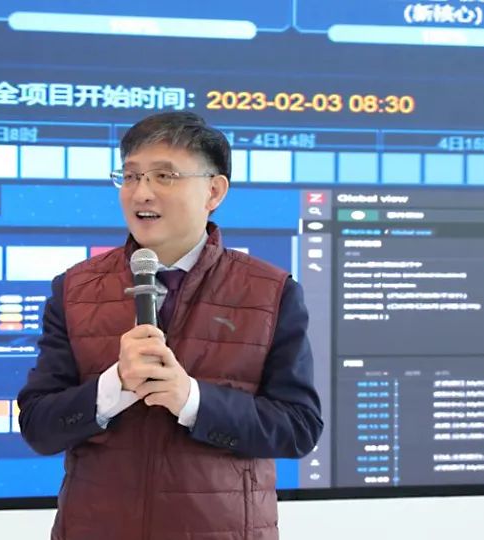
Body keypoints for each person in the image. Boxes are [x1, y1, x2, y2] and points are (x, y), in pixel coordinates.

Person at [17, 111, 323, 540]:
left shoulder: (270, 292)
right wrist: (115, 386)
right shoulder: (75, 289)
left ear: (213, 191)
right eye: (130, 176)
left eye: (165, 176)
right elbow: (38, 427)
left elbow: (298, 428)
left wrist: (192, 400)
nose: (141, 192)